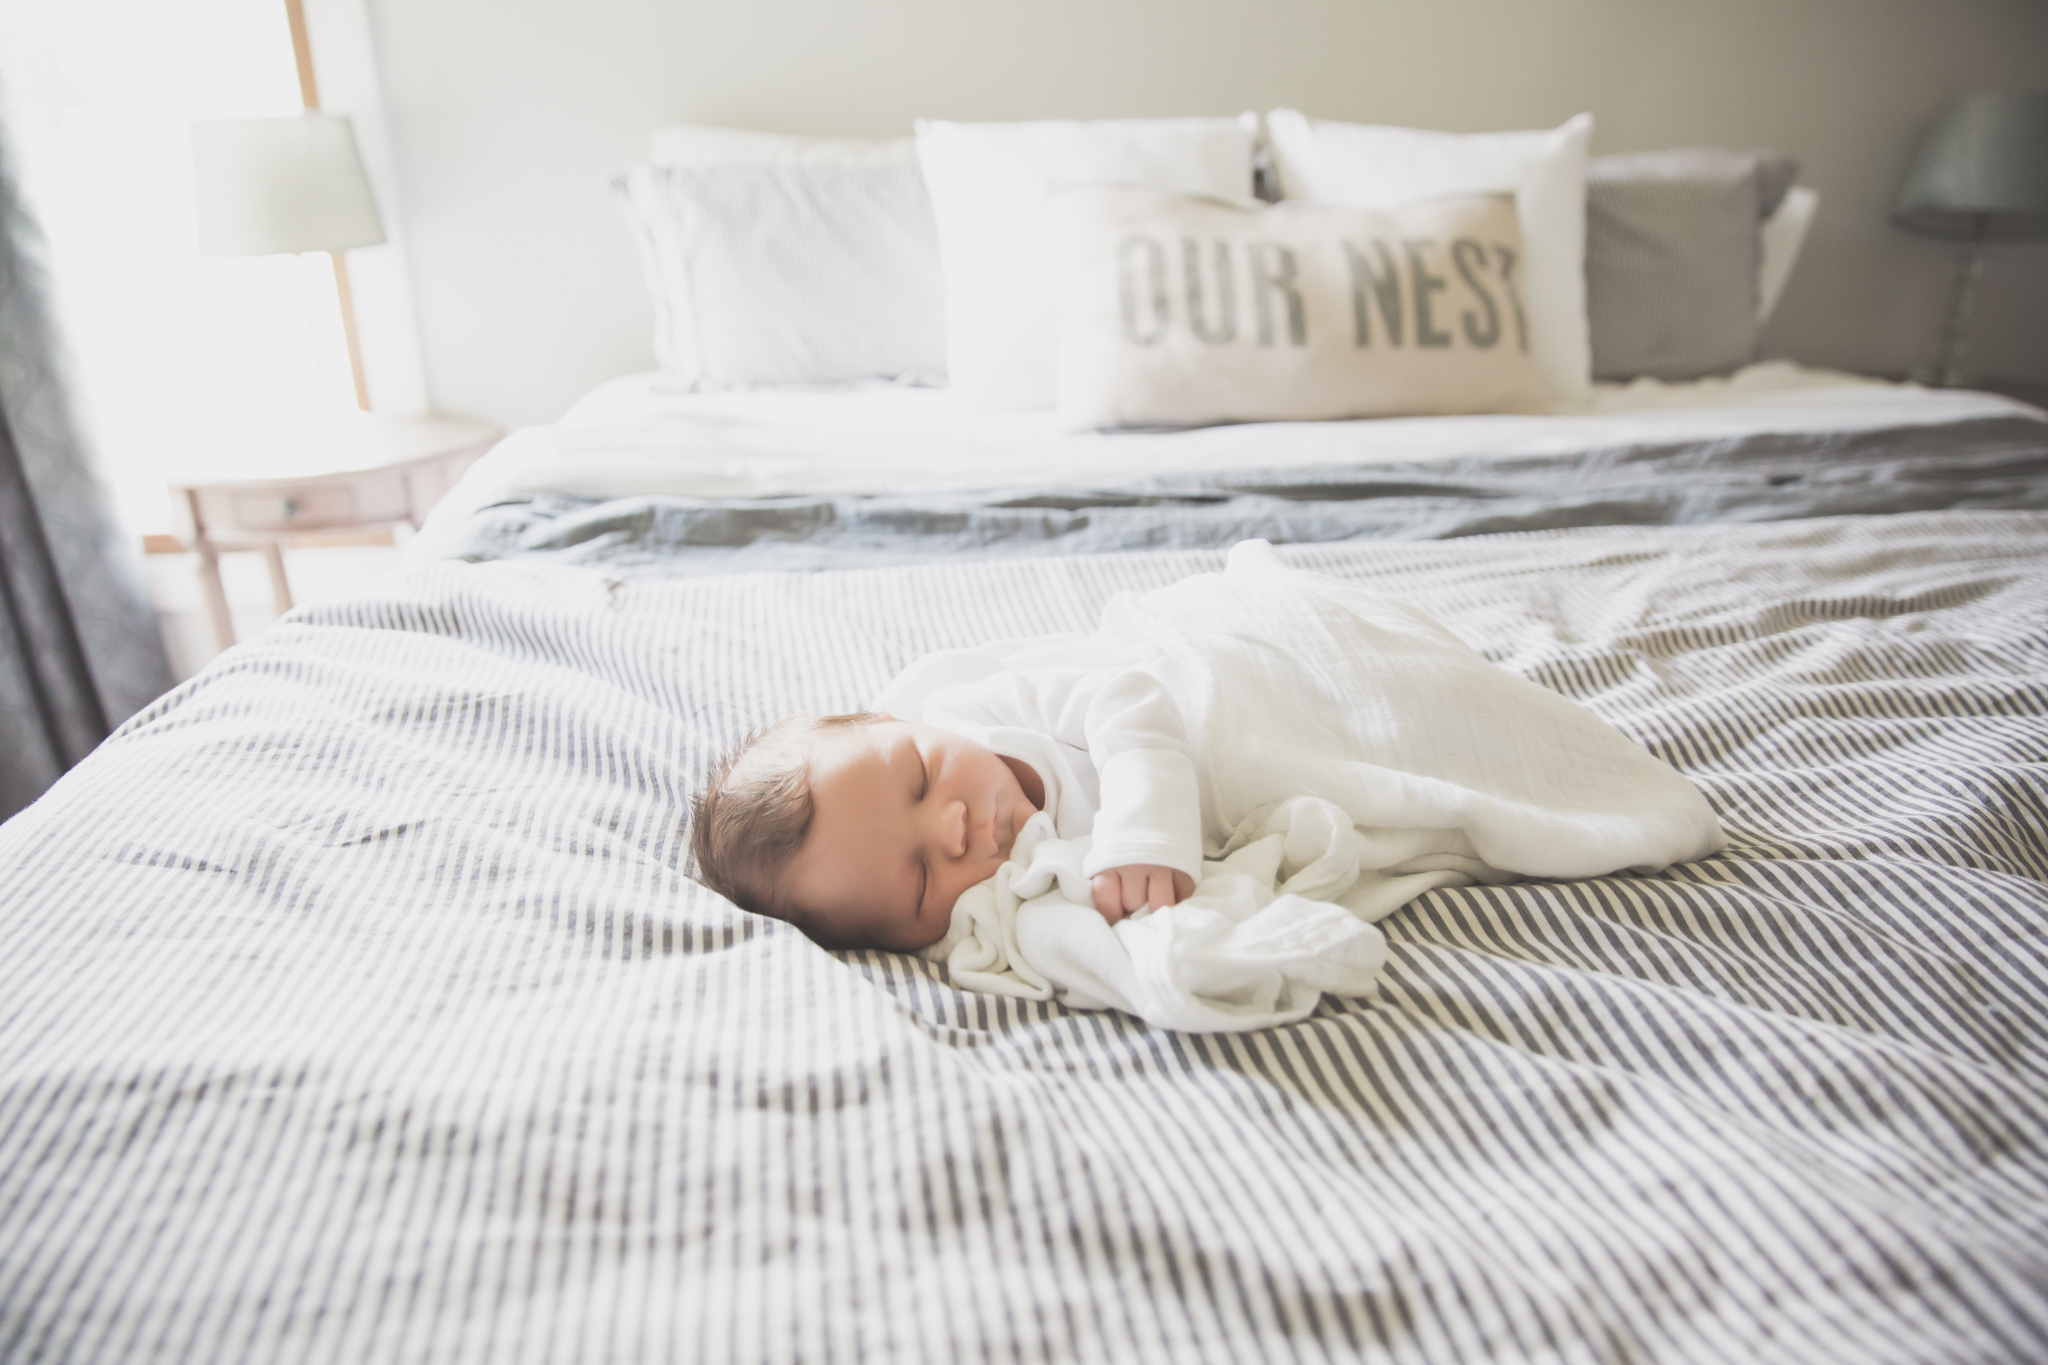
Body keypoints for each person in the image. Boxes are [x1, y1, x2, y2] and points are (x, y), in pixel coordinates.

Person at [688, 662, 1202, 952]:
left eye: (921, 778)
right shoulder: (1003, 913)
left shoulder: (977, 713)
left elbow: (1125, 691)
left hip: (1209, 686)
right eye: (920, 880)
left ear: (889, 719)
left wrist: (1146, 830)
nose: (951, 828)